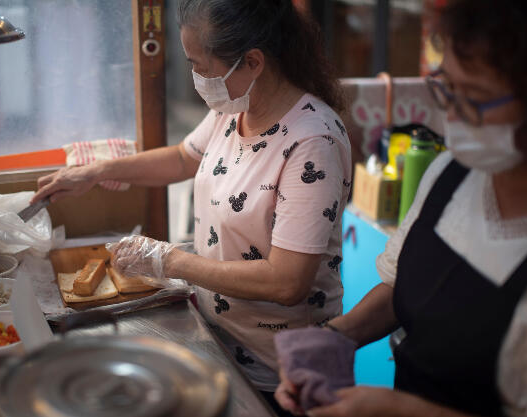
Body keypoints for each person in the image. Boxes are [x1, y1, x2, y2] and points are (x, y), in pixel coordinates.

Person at [32, 0, 351, 411]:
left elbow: (287, 283)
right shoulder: (234, 107)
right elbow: (184, 158)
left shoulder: (312, 142)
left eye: (201, 66)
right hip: (220, 335)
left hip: (284, 369)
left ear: (252, 61)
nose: (197, 78)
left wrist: (170, 261)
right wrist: (96, 172)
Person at [274, 0, 527, 416]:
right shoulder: (451, 172)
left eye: (475, 98)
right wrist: (335, 336)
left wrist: (398, 410)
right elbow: (401, 287)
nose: (452, 113)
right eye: (448, 89)